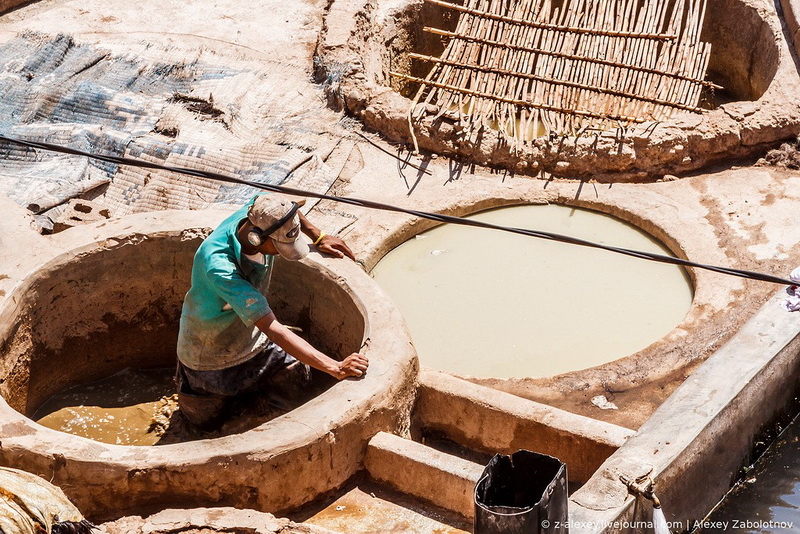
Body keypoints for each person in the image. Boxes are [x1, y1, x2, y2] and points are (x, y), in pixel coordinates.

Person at [175, 194, 369, 430]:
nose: (280, 253)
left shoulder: (259, 212)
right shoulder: (220, 267)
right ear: (256, 238)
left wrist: (317, 235)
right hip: (208, 357)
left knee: (298, 380)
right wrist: (335, 368)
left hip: (251, 340)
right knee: (207, 426)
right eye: (279, 247)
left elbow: (287, 207)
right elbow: (273, 329)